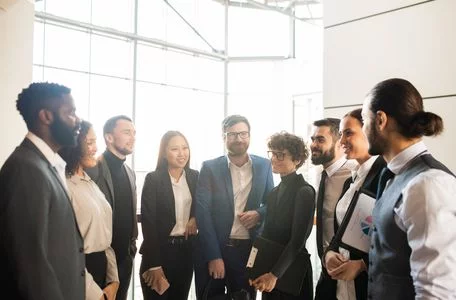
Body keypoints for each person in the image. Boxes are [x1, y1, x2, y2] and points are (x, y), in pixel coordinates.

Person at [361, 78, 456, 299]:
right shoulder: (394, 174)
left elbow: (436, 291)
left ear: (380, 120)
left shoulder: (427, 184)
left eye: (365, 120)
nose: (364, 129)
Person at [0, 82, 85, 299]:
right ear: (46, 116)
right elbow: (30, 263)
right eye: (71, 113)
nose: (78, 120)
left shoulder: (46, 164)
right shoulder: (25, 169)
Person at [195, 114, 274, 299]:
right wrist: (214, 256)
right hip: (216, 248)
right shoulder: (209, 167)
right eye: (232, 134)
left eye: (243, 134)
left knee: (245, 296)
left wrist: (259, 213)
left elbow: (272, 203)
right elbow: (203, 212)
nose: (238, 138)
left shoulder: (264, 165)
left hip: (247, 251)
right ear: (224, 138)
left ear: (249, 136)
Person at [323, 109, 385, 300]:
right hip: (344, 284)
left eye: (348, 133)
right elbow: (342, 229)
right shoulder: (351, 181)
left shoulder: (386, 174)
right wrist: (329, 253)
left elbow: (396, 239)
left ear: (369, 130)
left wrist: (362, 265)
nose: (341, 141)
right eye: (341, 134)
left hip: (371, 284)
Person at [250, 132, 315, 300]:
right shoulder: (274, 192)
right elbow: (266, 235)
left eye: (280, 155)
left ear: (297, 160)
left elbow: (297, 241)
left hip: (291, 271)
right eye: (272, 153)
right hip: (270, 268)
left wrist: (274, 275)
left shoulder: (304, 191)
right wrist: (256, 269)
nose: (274, 158)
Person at [59, 120, 120, 300]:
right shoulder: (63, 186)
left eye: (95, 142)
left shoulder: (90, 182)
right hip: (80, 278)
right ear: (73, 146)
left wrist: (113, 280)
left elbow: (104, 239)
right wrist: (94, 294)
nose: (95, 148)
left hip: (103, 274)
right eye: (90, 143)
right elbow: (64, 252)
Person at [139, 131, 199, 300]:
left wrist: (195, 218)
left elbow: (203, 207)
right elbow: (148, 223)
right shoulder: (153, 179)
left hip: (185, 252)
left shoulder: (195, 177)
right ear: (164, 153)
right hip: (159, 252)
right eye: (175, 149)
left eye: (185, 148)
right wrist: (155, 264)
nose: (182, 153)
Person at [86, 115, 138, 300]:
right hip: (99, 262)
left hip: (124, 259)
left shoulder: (130, 173)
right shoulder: (92, 170)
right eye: (126, 132)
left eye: (134, 133)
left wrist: (131, 249)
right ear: (109, 137)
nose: (132, 137)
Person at [310, 118, 357, 300]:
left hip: (348, 268)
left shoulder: (354, 174)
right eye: (313, 139)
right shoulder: (319, 175)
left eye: (320, 140)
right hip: (326, 266)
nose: (314, 145)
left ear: (339, 143)